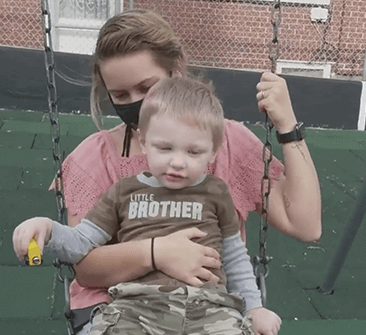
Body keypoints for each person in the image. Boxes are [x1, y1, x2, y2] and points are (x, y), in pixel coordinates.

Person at [29, 8, 321, 335]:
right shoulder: (94, 158)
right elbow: (87, 270)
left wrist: (287, 126)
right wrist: (157, 253)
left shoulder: (227, 142)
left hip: (207, 311)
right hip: (117, 308)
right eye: (120, 95)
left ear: (174, 71)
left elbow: (305, 225)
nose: (136, 103)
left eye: (146, 87)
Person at [14, 76, 282, 334]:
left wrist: (254, 308)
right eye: (165, 148)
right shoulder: (124, 192)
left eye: (193, 152)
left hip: (210, 310)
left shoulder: (216, 192)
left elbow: (234, 256)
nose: (178, 162)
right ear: (144, 142)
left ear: (213, 151)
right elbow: (82, 241)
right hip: (137, 309)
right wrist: (47, 229)